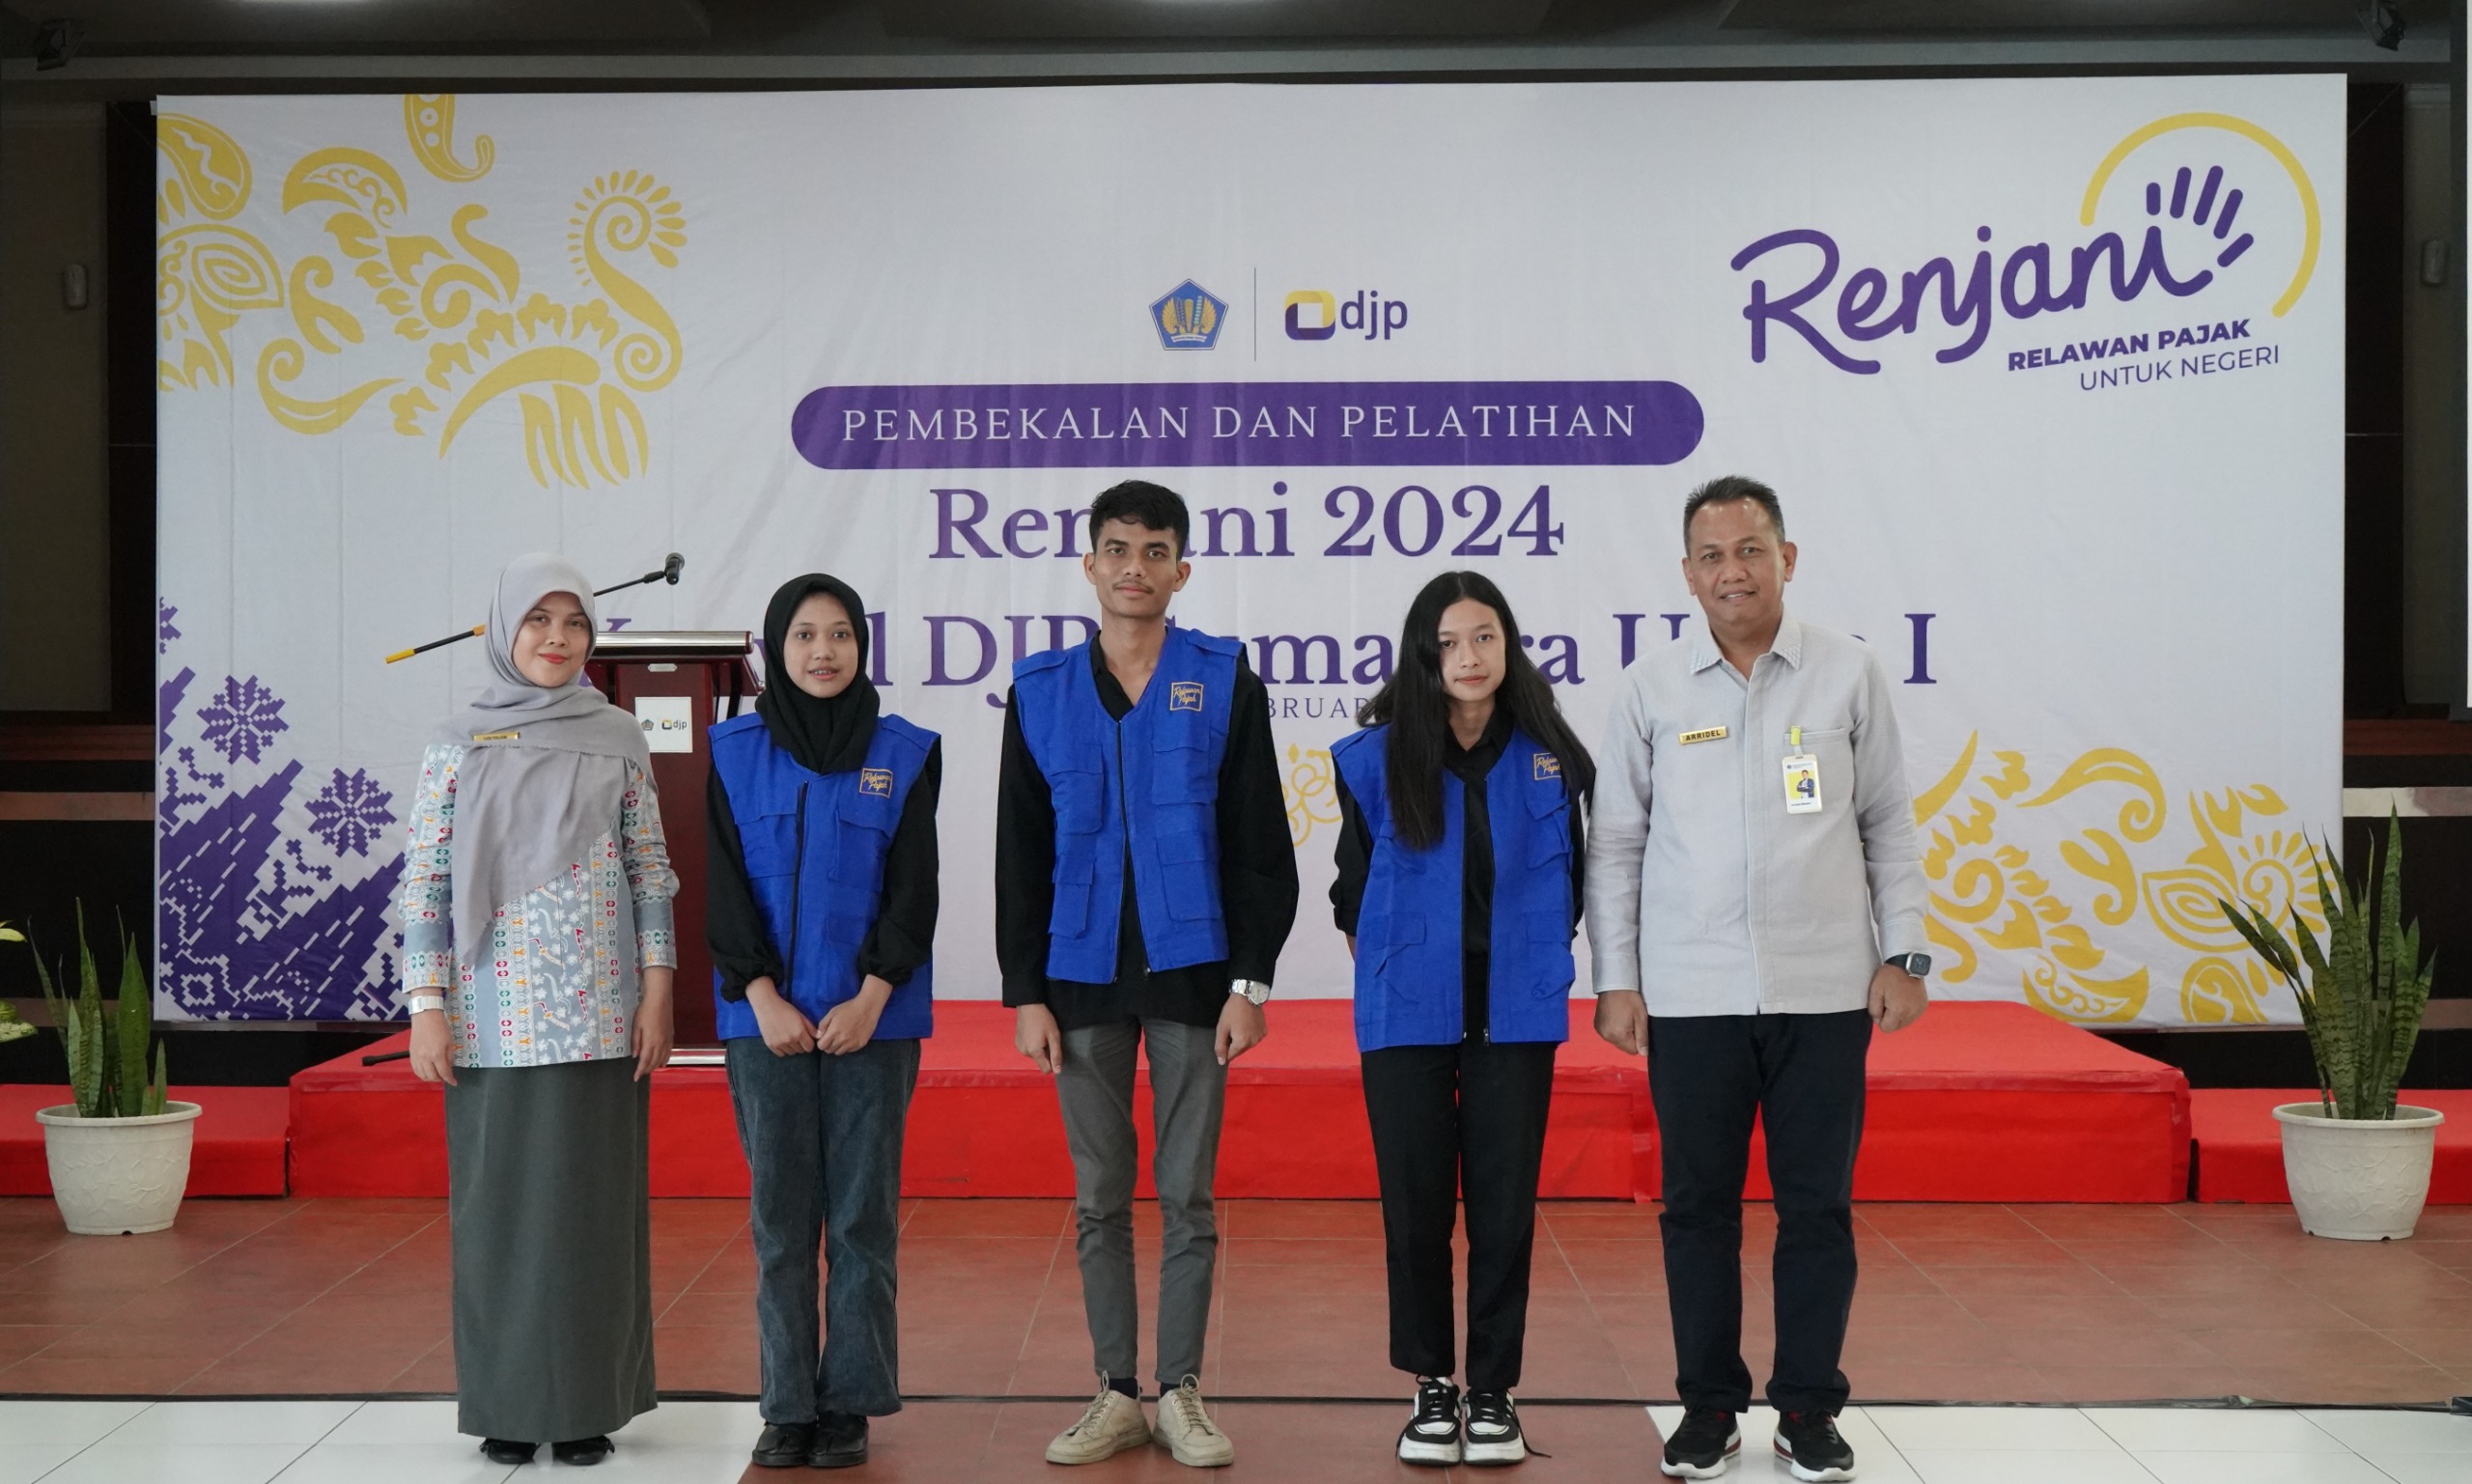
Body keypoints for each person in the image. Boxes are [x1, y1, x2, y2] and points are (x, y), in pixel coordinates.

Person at [1586, 476, 1929, 1484]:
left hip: (1824, 991)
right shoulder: (1651, 688)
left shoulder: (1847, 673)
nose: (1731, 571)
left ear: (1787, 557)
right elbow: (1616, 843)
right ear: (1687, 573)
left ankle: (1809, 1407)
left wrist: (1905, 952)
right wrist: (1616, 977)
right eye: (1711, 555)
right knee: (1697, 1208)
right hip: (1690, 995)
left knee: (1816, 1206)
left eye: (1749, 549)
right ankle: (1707, 1406)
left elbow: (1887, 821)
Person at [996, 479, 1300, 1469]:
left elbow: (1260, 842)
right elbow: (1018, 852)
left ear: (1182, 568)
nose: (1136, 567)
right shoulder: (1040, 690)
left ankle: (1181, 1393)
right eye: (1119, 550)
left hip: (1194, 974)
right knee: (1098, 1195)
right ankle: (1115, 1392)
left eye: (1155, 550)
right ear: (1090, 564)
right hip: (1078, 975)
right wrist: (1025, 991)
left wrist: (1249, 984)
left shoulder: (1223, 677)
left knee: (1186, 1193)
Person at [400, 552, 678, 1469]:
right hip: (493, 1019)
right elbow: (427, 880)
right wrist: (426, 1004)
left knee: (592, 1217)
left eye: (575, 622)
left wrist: (659, 989)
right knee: (501, 1219)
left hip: (604, 1017)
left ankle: (588, 1403)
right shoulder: (458, 740)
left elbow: (651, 871)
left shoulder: (618, 737)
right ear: (503, 629)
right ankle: (510, 1406)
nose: (558, 638)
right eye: (538, 620)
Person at [1330, 572, 1592, 1469]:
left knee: (1504, 1209)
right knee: (1415, 1208)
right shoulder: (1374, 758)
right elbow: (1352, 893)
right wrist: (1411, 963)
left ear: (1508, 645)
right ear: (1422, 655)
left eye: (1484, 637)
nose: (1469, 657)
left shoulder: (1551, 755)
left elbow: (1573, 882)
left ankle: (1493, 1390)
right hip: (1407, 1008)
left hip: (1515, 1008)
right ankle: (1431, 1382)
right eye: (1447, 642)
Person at [706, 574, 941, 1470]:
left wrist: (872, 995)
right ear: (777, 648)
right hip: (763, 1021)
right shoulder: (734, 751)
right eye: (804, 634)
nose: (823, 651)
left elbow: (914, 891)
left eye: (840, 633)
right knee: (780, 1222)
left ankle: (849, 1402)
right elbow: (724, 888)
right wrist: (761, 995)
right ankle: (787, 1405)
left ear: (861, 647)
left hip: (873, 1020)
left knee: (860, 1221)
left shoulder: (904, 752)